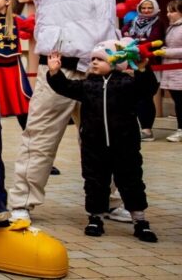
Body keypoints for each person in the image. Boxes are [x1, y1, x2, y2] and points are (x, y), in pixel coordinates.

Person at [3, 0, 180, 224]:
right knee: (39, 139)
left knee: (107, 140)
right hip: (58, 73)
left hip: (100, 75)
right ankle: (22, 202)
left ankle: (108, 201)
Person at [46, 44, 158, 243]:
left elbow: (147, 88)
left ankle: (140, 220)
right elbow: (65, 87)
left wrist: (143, 69)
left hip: (125, 145)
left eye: (100, 59)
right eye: (93, 59)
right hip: (93, 146)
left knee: (131, 181)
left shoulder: (127, 83)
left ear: (115, 63)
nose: (95, 62)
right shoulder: (88, 85)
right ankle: (95, 218)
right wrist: (55, 72)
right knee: (94, 181)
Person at [0, 0, 34, 130]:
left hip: (14, 69)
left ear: (7, 1)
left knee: (23, 106)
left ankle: (30, 139)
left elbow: (32, 25)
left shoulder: (16, 20)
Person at [123, 0, 164, 141]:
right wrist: (139, 41)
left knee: (145, 97)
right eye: (143, 8)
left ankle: (147, 130)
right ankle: (135, 129)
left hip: (150, 65)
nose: (146, 10)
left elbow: (154, 40)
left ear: (155, 9)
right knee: (131, 98)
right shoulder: (132, 21)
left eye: (150, 8)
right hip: (131, 65)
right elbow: (124, 34)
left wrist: (133, 40)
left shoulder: (158, 23)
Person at [157, 0, 182, 142]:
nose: (168, 14)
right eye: (167, 11)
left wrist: (167, 52)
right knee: (178, 102)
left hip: (179, 70)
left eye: (172, 11)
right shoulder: (172, 27)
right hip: (171, 70)